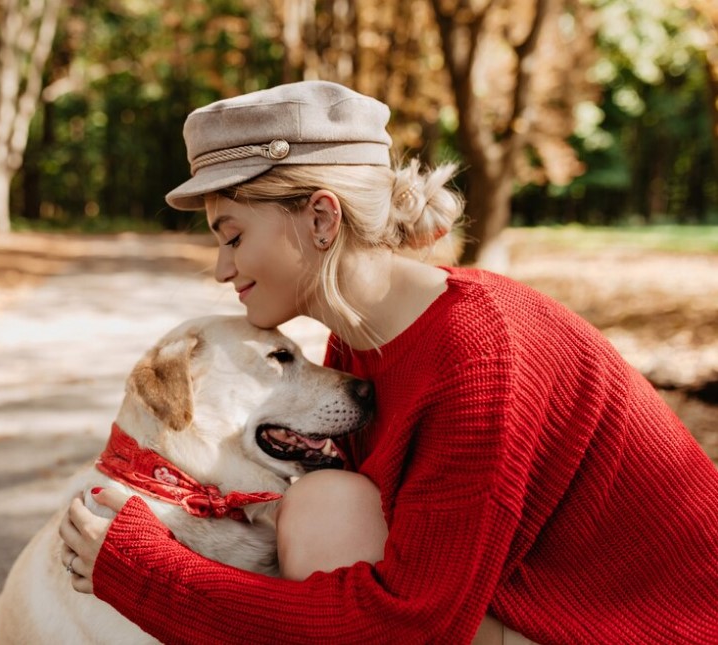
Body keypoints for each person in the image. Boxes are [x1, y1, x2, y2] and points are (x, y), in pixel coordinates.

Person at [58, 81, 718, 644]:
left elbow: (408, 627)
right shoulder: (361, 341)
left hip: (642, 628)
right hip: (517, 606)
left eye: (232, 235)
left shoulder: (483, 356)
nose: (223, 267)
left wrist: (148, 575)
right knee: (322, 500)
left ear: (320, 218)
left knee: (320, 510)